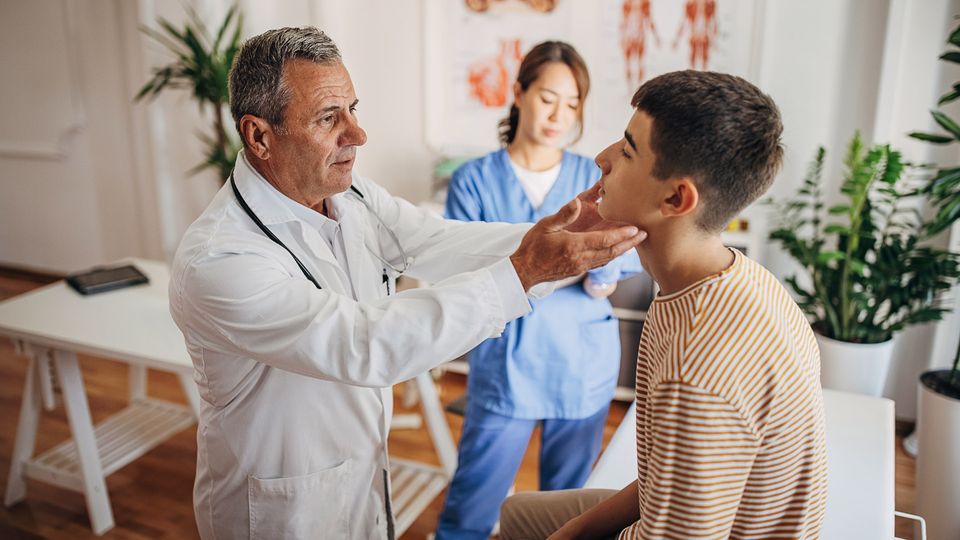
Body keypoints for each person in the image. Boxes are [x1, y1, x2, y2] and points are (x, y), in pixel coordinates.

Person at [168, 26, 645, 540]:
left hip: (358, 477)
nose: (357, 134)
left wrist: (564, 233)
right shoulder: (219, 259)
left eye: (353, 108)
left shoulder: (353, 198)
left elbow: (439, 242)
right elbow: (365, 344)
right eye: (329, 118)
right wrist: (525, 270)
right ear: (260, 136)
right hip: (279, 507)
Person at [499, 70, 828, 539]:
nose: (602, 158)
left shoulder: (696, 370)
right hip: (682, 509)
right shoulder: (732, 277)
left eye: (628, 150)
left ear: (676, 197)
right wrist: (573, 530)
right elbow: (666, 478)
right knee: (521, 515)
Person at [437, 41, 643, 540]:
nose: (560, 115)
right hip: (506, 368)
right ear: (519, 93)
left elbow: (620, 259)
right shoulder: (474, 179)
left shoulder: (595, 177)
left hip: (582, 366)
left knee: (565, 515)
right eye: (549, 97)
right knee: (470, 507)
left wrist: (601, 271)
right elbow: (463, 270)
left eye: (573, 104)